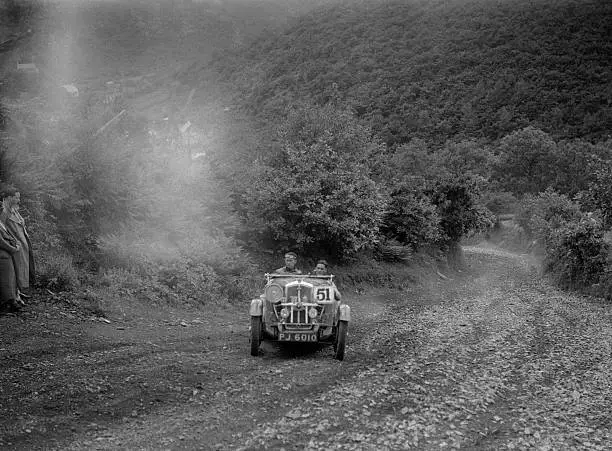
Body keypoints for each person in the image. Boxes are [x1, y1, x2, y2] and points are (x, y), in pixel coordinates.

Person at [1, 187, 35, 300]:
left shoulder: (14, 209)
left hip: (22, 244)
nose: (18, 200)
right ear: (9, 198)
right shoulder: (4, 211)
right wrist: (10, 242)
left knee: (22, 268)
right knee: (16, 269)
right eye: (16, 197)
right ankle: (15, 295)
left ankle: (19, 292)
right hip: (15, 244)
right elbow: (2, 229)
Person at [0, 204, 21, 313]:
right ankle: (10, 303)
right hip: (3, 255)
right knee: (6, 280)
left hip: (6, 254)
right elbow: (1, 242)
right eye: (3, 212)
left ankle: (12, 301)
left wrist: (15, 243)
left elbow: (7, 237)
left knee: (10, 278)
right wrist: (13, 249)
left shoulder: (2, 224)